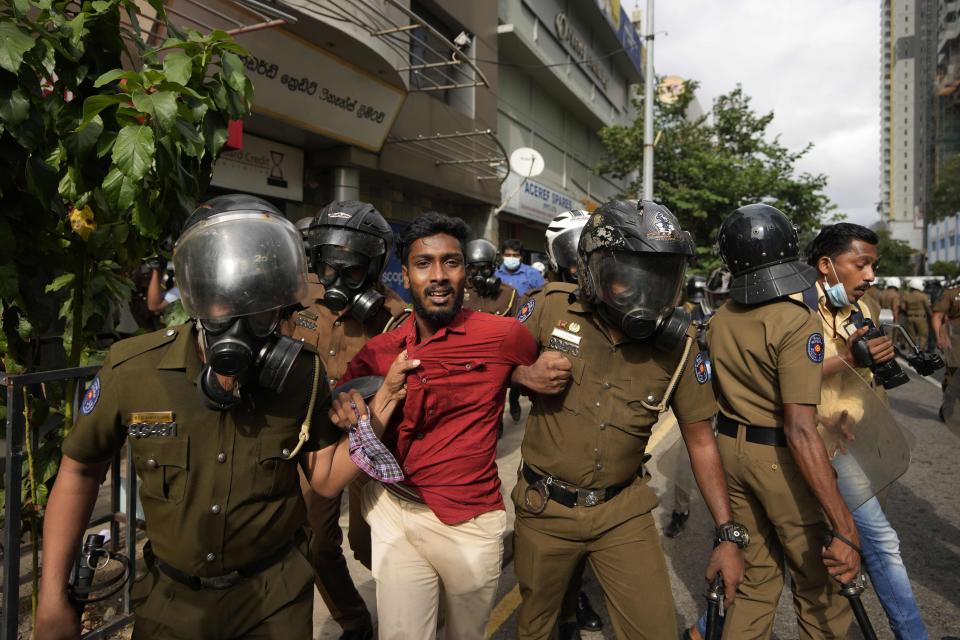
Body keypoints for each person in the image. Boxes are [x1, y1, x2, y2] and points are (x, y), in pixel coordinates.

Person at [33, 195, 387, 639]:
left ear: (281, 310)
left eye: (259, 309)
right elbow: (80, 469)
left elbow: (324, 475)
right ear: (199, 299)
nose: (240, 324)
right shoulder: (132, 369)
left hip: (275, 604)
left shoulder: (302, 373)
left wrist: (381, 406)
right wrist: (50, 598)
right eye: (224, 304)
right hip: (170, 606)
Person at [510, 200, 745, 640]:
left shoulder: (680, 348)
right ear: (593, 271)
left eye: (659, 281)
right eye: (629, 280)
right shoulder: (548, 308)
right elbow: (487, 368)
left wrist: (727, 533)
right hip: (545, 508)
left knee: (655, 629)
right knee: (536, 628)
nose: (645, 296)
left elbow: (701, 441)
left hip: (623, 513)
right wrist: (522, 374)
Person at [334, 212, 540, 640]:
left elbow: (535, 366)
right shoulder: (378, 352)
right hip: (394, 512)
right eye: (424, 263)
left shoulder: (503, 335)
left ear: (465, 271)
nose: (439, 275)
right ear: (405, 275)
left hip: (470, 525)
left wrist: (520, 376)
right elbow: (348, 426)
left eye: (451, 262)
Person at [706, 203, 860, 639]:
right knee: (821, 586)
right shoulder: (796, 321)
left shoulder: (720, 320)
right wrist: (843, 524)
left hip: (731, 453)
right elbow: (799, 427)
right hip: (781, 459)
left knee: (754, 582)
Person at [284, 200, 410, 640]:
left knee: (369, 544)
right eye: (329, 268)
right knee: (315, 543)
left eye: (352, 272)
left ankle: (411, 610)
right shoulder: (295, 298)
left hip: (370, 442)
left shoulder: (396, 318)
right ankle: (355, 623)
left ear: (373, 269)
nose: (337, 281)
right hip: (311, 440)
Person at [806, 223, 929, 640]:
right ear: (827, 265)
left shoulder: (866, 309)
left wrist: (853, 411)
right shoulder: (796, 310)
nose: (871, 276)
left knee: (789, 551)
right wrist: (848, 359)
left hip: (856, 440)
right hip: (816, 445)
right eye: (861, 265)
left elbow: (862, 383)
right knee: (882, 542)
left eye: (873, 266)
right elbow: (791, 378)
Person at [538, 208, 604, 639]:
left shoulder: (618, 297)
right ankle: (565, 603)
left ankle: (575, 594)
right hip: (557, 439)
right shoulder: (545, 304)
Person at [665, 269, 731, 540]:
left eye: (723, 296)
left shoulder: (739, 314)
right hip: (699, 399)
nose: (718, 301)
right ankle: (680, 512)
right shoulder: (691, 311)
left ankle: (727, 524)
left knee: (730, 465)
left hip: (729, 401)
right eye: (715, 295)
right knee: (684, 461)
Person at [462, 238, 519, 317]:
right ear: (467, 269)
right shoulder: (459, 292)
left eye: (485, 268)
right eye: (473, 269)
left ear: (494, 267)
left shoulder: (509, 295)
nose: (479, 274)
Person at [933, 283, 960, 420]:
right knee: (953, 374)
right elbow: (938, 316)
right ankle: (948, 403)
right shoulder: (951, 294)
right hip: (955, 341)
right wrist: (940, 337)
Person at [901, 278, 931, 349]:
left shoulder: (906, 295)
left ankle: (912, 353)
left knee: (911, 337)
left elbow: (903, 308)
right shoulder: (923, 296)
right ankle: (920, 352)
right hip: (920, 318)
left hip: (909, 318)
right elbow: (928, 308)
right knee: (923, 336)